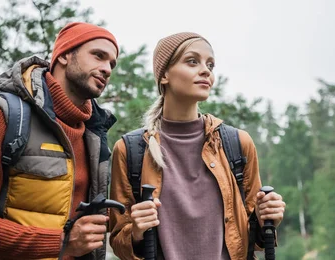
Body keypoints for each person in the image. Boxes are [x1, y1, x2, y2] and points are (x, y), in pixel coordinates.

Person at [108, 32, 286, 260]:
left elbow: (254, 239)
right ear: (164, 75)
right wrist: (136, 231)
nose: (206, 70)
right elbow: (119, 243)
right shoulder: (130, 150)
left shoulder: (238, 144)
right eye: (192, 61)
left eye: (210, 64)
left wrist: (266, 219)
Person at [0, 22, 118, 259]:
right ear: (65, 55)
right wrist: (61, 242)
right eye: (98, 56)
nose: (107, 69)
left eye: (111, 63)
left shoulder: (95, 136)